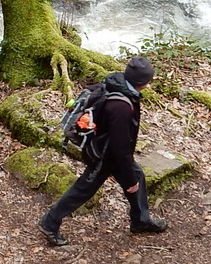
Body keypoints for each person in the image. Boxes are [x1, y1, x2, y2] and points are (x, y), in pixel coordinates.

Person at [37, 56, 166, 245]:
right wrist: (129, 180)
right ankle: (49, 222)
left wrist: (131, 175)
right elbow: (120, 147)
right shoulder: (121, 106)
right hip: (104, 155)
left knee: (137, 175)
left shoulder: (117, 85)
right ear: (142, 82)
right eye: (148, 79)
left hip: (108, 150)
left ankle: (141, 220)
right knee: (84, 189)